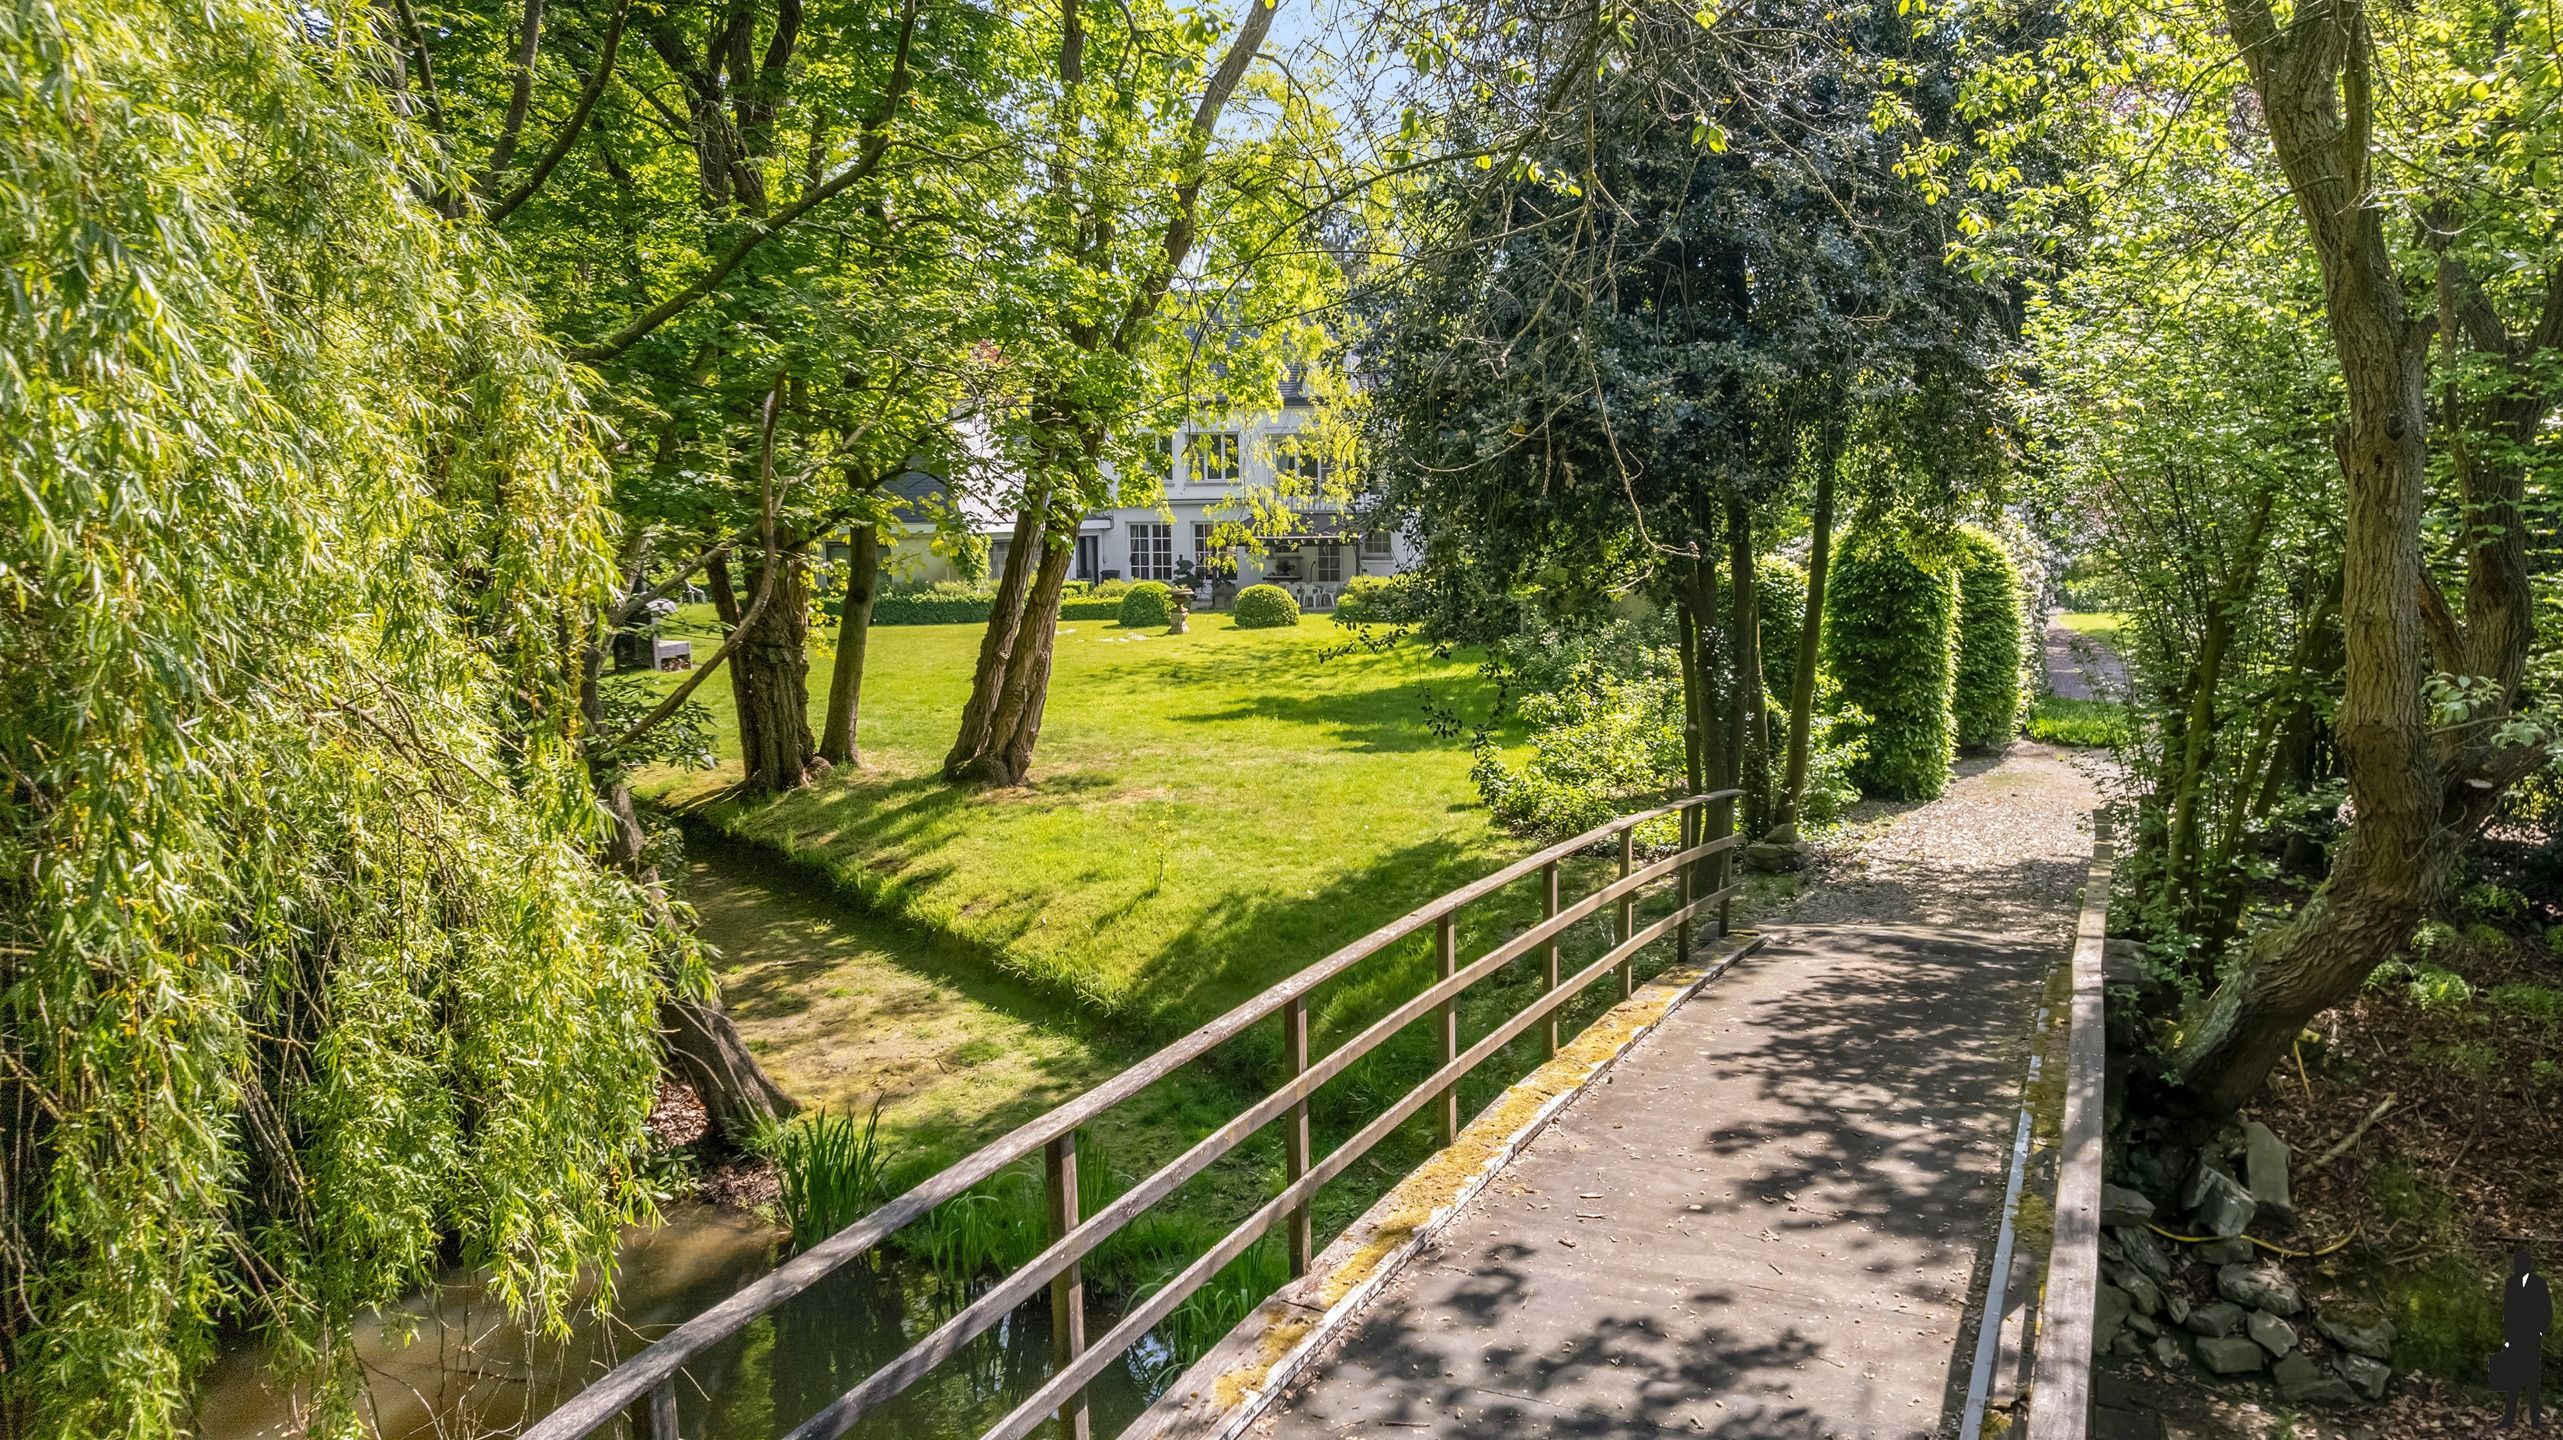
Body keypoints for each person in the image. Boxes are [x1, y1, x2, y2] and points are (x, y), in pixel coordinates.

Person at [2496, 1246, 2550, 1428]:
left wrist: (2539, 1332)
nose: (2519, 1266)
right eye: (2517, 1263)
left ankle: (2535, 1420)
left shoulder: (2539, 1283)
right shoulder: (2511, 1283)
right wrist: (2508, 1337)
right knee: (2513, 1379)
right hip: (2515, 1337)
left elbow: (2547, 1312)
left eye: (2523, 1263)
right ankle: (2508, 1418)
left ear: (2529, 1264)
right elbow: (2507, 1311)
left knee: (2533, 1381)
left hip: (2532, 1338)